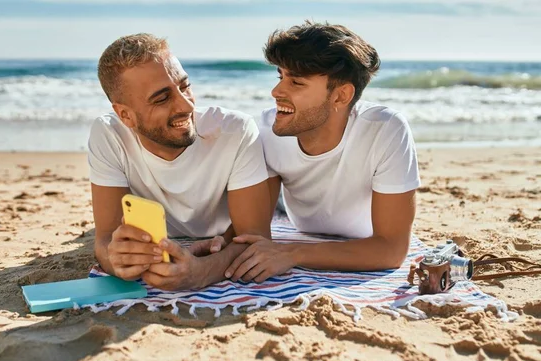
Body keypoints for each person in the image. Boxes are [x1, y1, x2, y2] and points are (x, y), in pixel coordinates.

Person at [225, 21, 421, 283]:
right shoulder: (264, 130)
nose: (276, 91)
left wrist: (293, 253)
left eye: (296, 82)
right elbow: (255, 236)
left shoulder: (385, 130)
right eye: (280, 76)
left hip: (357, 235)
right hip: (293, 211)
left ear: (340, 96)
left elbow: (391, 250)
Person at [89, 33, 271, 290]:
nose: (186, 106)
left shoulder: (235, 131)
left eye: (184, 86)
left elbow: (257, 238)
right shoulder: (109, 134)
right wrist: (116, 260)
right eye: (162, 98)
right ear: (125, 116)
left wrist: (203, 271)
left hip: (223, 235)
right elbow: (105, 240)